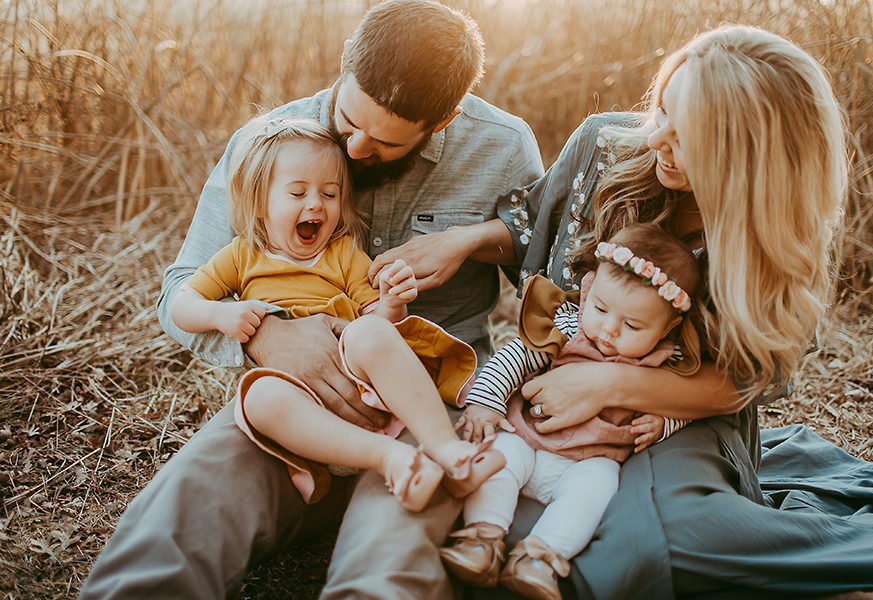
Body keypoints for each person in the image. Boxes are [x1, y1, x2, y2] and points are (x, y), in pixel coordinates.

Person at [79, 1, 542, 598]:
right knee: (191, 499)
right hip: (292, 403)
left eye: (383, 142)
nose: (353, 149)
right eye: (349, 121)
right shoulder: (267, 143)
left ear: (444, 120)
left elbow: (551, 279)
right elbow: (181, 289)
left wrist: (476, 237)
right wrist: (265, 334)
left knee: (390, 545)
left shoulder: (502, 148)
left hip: (427, 405)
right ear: (344, 63)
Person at [467, 23, 873, 599]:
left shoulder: (770, 233)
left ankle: (849, 565)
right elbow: (531, 231)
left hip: (680, 417)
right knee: (496, 489)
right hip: (555, 395)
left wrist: (609, 383)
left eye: (686, 134)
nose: (655, 140)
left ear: (747, 159)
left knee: (664, 537)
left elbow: (749, 381)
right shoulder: (605, 147)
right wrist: (459, 242)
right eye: (662, 111)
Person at [170, 116, 505, 512]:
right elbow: (181, 304)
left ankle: (449, 452)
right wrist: (220, 316)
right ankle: (389, 458)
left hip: (356, 378)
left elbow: (378, 321)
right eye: (297, 193)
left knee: (367, 333)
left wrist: (394, 303)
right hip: (296, 395)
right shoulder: (241, 255)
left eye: (329, 194)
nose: (315, 204)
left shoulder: (342, 253)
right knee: (259, 396)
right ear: (260, 203)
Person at [440, 223, 700, 600]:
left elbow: (682, 402)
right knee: (499, 460)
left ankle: (541, 556)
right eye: (600, 309)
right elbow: (516, 357)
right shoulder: (566, 326)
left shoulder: (664, 362)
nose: (608, 330)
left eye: (632, 325)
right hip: (528, 437)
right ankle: (482, 538)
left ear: (667, 328)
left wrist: (664, 422)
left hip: (589, 461)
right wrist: (486, 401)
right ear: (590, 289)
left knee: (597, 491)